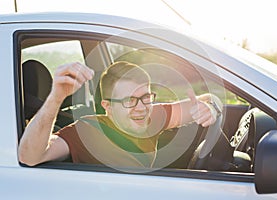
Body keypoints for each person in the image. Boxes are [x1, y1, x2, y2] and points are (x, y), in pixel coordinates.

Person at [18, 61, 223, 168]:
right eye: (129, 101)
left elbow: (206, 99)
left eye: (146, 96)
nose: (141, 107)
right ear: (107, 106)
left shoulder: (152, 116)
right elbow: (29, 157)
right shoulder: (85, 131)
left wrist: (210, 108)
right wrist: (56, 97)